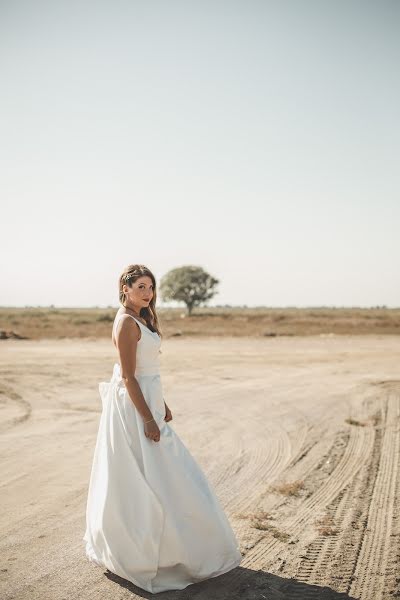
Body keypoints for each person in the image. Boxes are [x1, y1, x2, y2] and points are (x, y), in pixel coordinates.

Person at [82, 264, 242, 593]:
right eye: (140, 286)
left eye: (150, 287)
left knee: (167, 475)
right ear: (124, 288)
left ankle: (180, 547)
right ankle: (149, 552)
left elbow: (147, 370)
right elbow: (129, 377)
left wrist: (162, 404)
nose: (147, 292)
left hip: (150, 400)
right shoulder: (126, 321)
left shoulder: (143, 316)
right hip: (135, 409)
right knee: (158, 477)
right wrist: (148, 419)